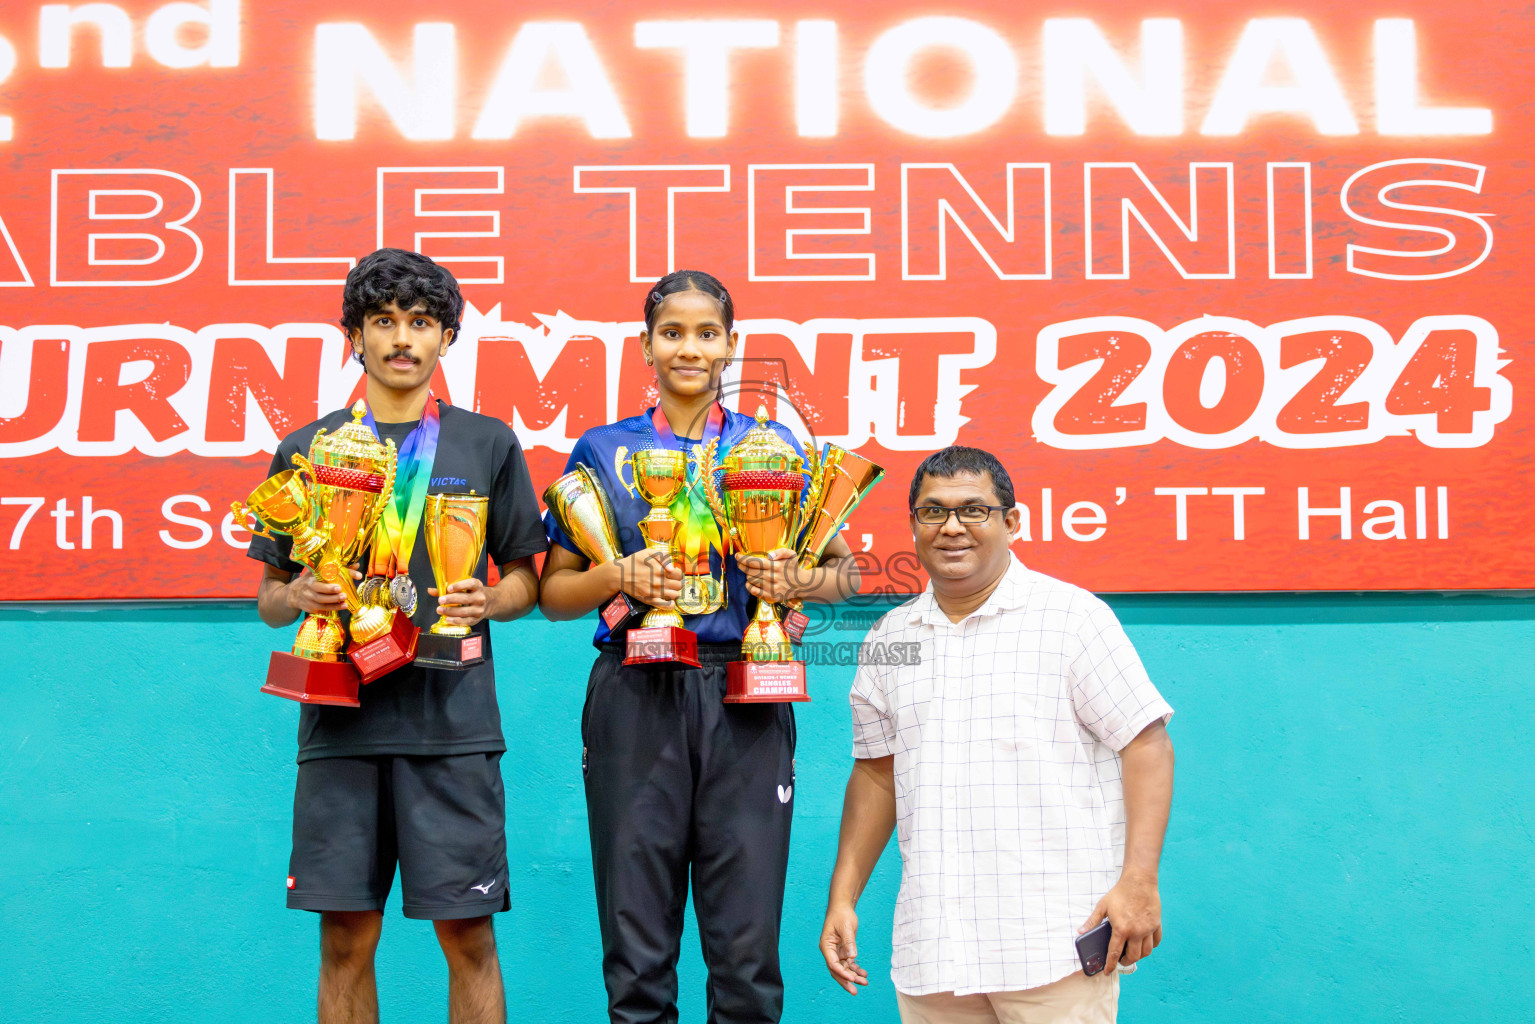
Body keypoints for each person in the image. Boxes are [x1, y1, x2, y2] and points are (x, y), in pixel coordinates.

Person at [539, 269, 861, 1024]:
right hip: (634, 689)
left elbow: (843, 577)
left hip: (745, 689)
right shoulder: (602, 449)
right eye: (672, 332)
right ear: (645, 346)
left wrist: (795, 577)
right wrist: (618, 574)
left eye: (706, 333)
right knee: (636, 948)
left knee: (745, 950)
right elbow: (555, 596)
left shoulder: (772, 447)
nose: (689, 348)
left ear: (731, 346)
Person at [247, 248, 546, 1024]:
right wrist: (302, 594)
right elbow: (269, 600)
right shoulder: (310, 449)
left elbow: (528, 580)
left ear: (446, 336)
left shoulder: (487, 443)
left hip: (453, 725)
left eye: (420, 322)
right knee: (345, 939)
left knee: (469, 937)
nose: (401, 339)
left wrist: (491, 599)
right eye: (382, 322)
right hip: (340, 724)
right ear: (354, 335)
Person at [819, 446, 1175, 1024]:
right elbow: (877, 772)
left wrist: (1139, 880)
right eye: (933, 512)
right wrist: (843, 897)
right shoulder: (890, 639)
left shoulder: (1070, 618)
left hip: (1054, 943)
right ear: (913, 524)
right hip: (934, 949)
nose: (952, 527)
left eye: (974, 510)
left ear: (1012, 522)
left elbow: (1147, 744)